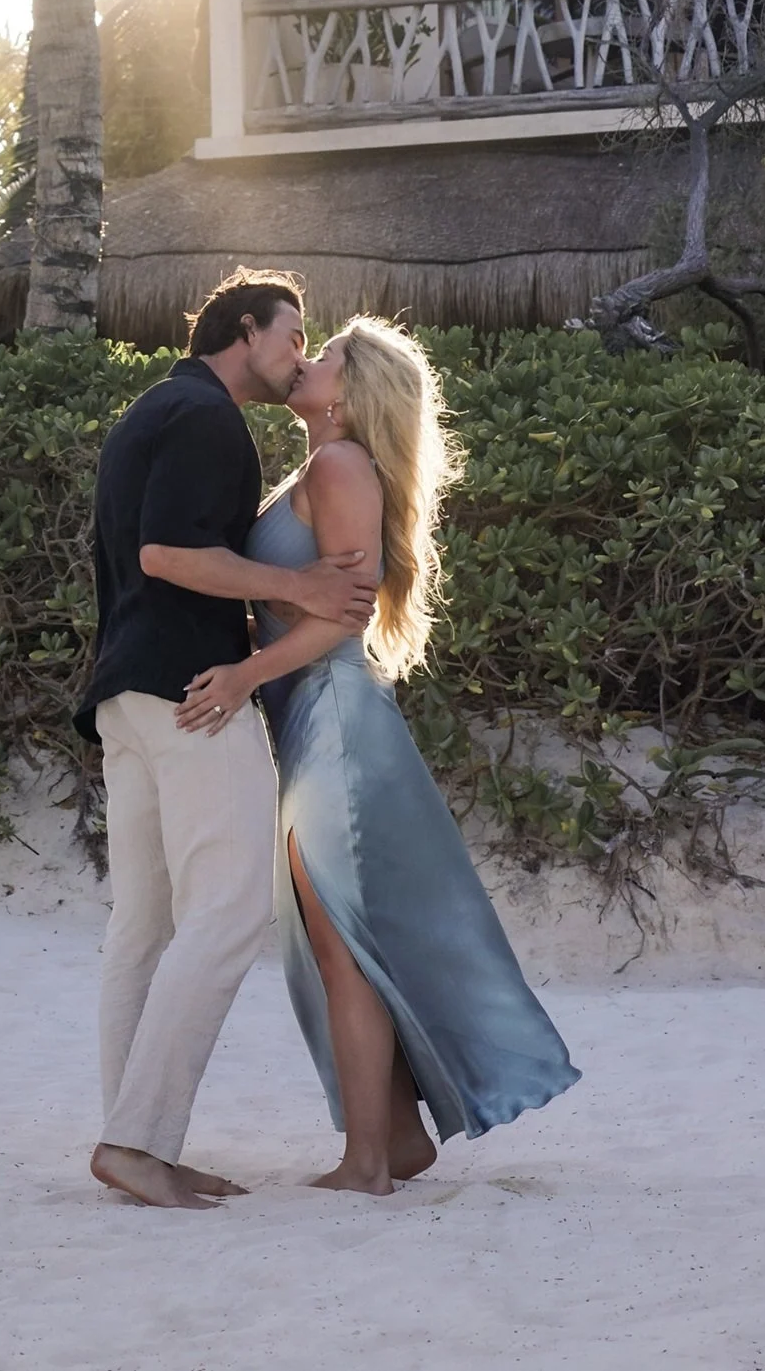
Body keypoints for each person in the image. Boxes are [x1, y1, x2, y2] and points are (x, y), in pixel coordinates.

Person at [177, 316, 580, 1195]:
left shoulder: (340, 464)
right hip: (310, 721)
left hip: (334, 720)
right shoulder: (317, 467)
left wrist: (246, 671)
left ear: (354, 392)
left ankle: (367, 1161)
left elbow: (342, 615)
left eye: (325, 357)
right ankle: (392, 1139)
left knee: (341, 945)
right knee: (335, 940)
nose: (308, 361)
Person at [77, 268, 379, 1212]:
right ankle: (136, 1139)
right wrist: (298, 590)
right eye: (293, 335)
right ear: (245, 330)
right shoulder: (208, 420)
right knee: (230, 912)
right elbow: (166, 554)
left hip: (124, 695)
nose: (299, 353)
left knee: (144, 925)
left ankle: (135, 1143)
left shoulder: (152, 408)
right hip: (190, 697)